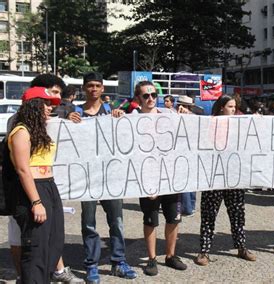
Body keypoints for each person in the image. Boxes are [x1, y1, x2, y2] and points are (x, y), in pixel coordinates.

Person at [7, 74, 82, 283]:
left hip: (49, 186)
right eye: (47, 104)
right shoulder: (21, 131)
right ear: (34, 105)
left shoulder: (41, 129)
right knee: (36, 248)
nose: (51, 107)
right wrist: (36, 202)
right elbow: (23, 170)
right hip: (34, 189)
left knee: (53, 241)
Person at [67, 72, 137, 282]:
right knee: (89, 223)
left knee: (116, 221)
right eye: (90, 85)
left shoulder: (111, 112)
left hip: (111, 176)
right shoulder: (75, 113)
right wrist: (68, 122)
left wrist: (120, 120)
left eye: (97, 85)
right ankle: (91, 265)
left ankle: (118, 261)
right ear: (84, 88)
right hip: (87, 177)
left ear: (103, 88)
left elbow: (124, 138)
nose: (94, 89)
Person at [131, 81, 187, 276]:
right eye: (146, 96)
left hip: (170, 178)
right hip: (148, 179)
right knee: (150, 220)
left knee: (173, 219)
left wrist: (186, 116)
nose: (151, 99)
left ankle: (171, 256)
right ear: (138, 99)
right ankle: (152, 258)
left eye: (154, 95)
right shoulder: (132, 120)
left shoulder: (169, 115)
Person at [194, 95, 256, 266]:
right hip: (214, 176)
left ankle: (242, 247)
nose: (233, 110)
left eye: (234, 107)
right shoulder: (209, 123)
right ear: (221, 107)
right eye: (230, 106)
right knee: (208, 214)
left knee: (237, 213)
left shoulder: (240, 124)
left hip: (234, 175)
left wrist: (259, 121)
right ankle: (204, 251)